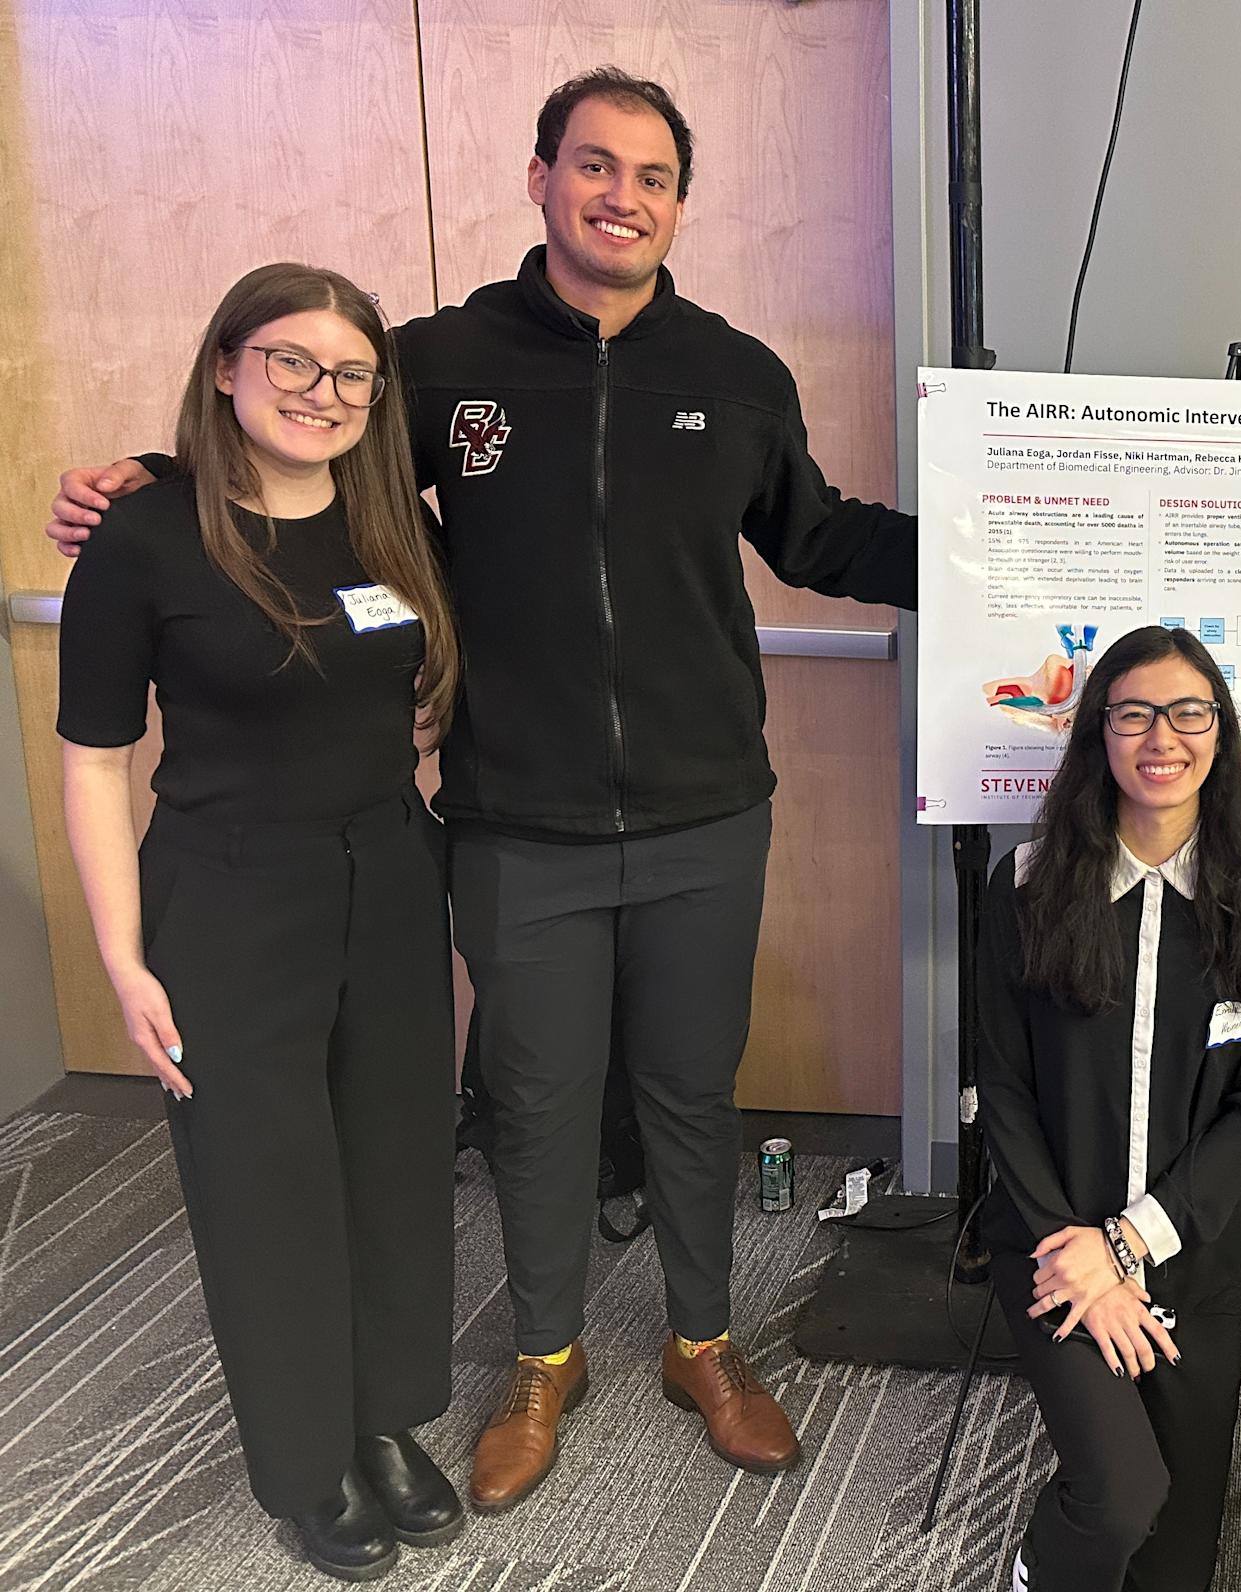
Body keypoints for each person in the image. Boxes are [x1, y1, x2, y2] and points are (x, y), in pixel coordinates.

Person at [47, 67, 917, 1510]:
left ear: (679, 204)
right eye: (592, 165)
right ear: (539, 180)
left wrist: (995, 545)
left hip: (712, 811)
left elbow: (820, 539)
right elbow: (296, 439)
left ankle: (705, 1341)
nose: (619, 196)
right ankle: (542, 1358)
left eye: (649, 176)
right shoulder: (440, 362)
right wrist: (151, 478)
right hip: (518, 819)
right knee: (534, 1099)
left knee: (693, 1092)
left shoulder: (735, 373)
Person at [56, 264, 464, 1579]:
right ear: (226, 364)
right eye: (290, 361)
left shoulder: (392, 521)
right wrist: (122, 958)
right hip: (226, 894)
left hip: (389, 878)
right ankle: (308, 1462)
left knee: (397, 1163)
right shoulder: (146, 537)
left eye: (350, 373)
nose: (322, 393)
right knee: (265, 1188)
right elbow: (96, 758)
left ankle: (386, 1419)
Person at [976, 626, 1241, 1592]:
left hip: (1194, 1253)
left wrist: (1129, 1248)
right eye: (1132, 713)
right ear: (1100, 734)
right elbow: (1002, 1087)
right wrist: (1078, 1253)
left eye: (1188, 712)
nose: (1162, 736)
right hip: (1052, 1246)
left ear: (1220, 732)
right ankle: (1036, 1568)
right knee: (1121, 1498)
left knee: (1175, 1562)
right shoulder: (1032, 884)